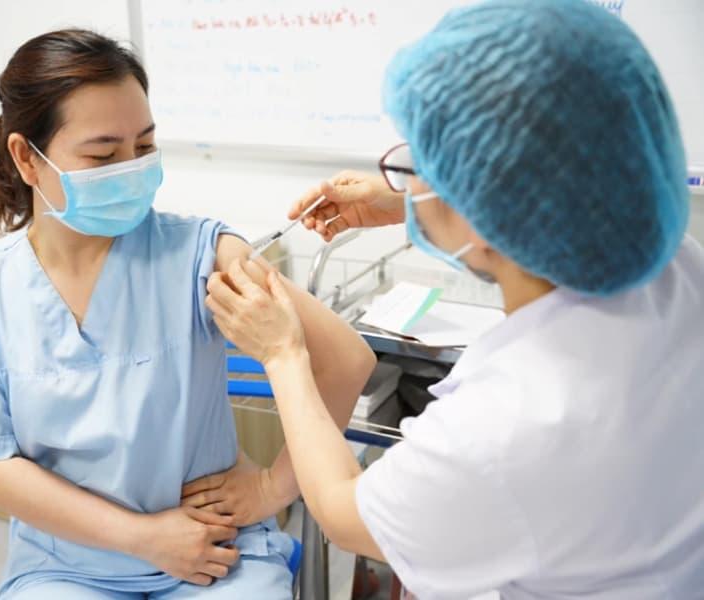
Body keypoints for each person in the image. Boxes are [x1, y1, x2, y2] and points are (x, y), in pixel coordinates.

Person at [205, 0, 704, 597]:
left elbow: (342, 512)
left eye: (418, 165)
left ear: (480, 211)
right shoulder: (676, 265)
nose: (410, 177)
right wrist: (413, 202)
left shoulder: (504, 430)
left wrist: (284, 355)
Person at [0, 29, 376, 599]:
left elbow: (346, 359)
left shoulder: (200, 254)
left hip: (214, 547)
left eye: (144, 147)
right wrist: (142, 537)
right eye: (102, 155)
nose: (131, 169)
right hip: (68, 563)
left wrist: (271, 487)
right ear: (26, 157)